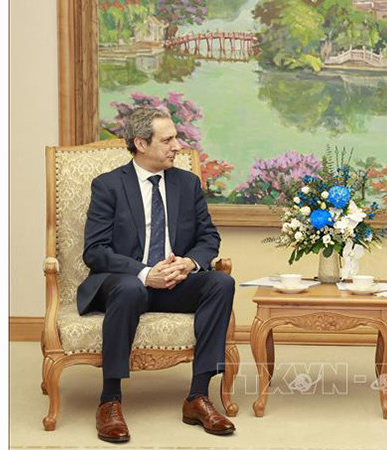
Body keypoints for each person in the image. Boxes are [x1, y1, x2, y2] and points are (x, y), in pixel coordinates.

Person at [77, 107, 236, 443]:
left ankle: (198, 397)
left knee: (221, 282)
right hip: (123, 284)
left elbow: (209, 238)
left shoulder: (187, 184)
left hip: (174, 282)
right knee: (130, 289)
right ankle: (109, 401)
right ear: (141, 144)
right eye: (167, 140)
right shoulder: (109, 186)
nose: (177, 146)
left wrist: (189, 264)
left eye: (175, 138)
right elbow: (95, 251)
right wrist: (145, 273)